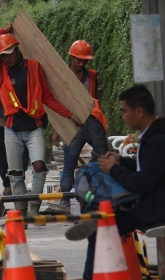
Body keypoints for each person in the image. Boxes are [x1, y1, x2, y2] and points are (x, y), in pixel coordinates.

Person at [77, 85, 165, 279]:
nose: (123, 116)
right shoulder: (156, 137)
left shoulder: (157, 141)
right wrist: (120, 161)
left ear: (139, 112)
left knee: (103, 223)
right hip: (160, 201)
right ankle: (93, 213)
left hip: (164, 207)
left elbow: (141, 183)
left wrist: (114, 168)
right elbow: (147, 170)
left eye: (125, 111)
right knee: (103, 216)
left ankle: (93, 274)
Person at [0, 22, 84, 219]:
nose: (7, 59)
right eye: (3, 56)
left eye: (9, 54)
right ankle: (21, 213)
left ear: (17, 50)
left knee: (38, 165)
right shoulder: (2, 70)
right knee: (16, 173)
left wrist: (69, 115)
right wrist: (4, 30)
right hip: (12, 129)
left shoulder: (35, 68)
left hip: (33, 128)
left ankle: (34, 209)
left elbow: (47, 98)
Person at [53, 40, 110, 211]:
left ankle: (102, 195)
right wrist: (57, 130)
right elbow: (58, 103)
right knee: (69, 163)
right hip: (72, 124)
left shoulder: (92, 75)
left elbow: (96, 99)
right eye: (78, 59)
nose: (81, 63)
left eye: (84, 60)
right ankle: (65, 200)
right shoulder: (63, 76)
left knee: (103, 156)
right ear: (71, 57)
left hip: (92, 121)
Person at [0, 73, 29, 195]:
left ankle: (12, 183)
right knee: (16, 152)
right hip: (9, 122)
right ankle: (11, 183)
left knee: (7, 153)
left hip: (12, 122)